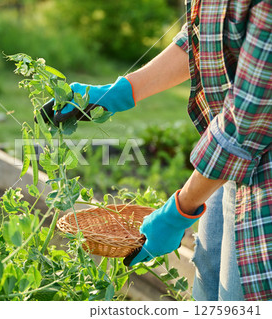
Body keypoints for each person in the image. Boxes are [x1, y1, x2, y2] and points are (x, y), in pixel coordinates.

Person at [41, 0, 271, 301]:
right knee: (207, 290)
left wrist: (179, 212)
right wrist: (119, 93)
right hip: (227, 171)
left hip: (261, 176)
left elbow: (245, 124)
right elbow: (201, 35)